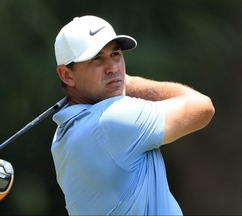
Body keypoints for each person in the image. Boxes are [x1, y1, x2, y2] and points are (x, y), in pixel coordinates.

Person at [51, 15, 215, 215]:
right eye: (96, 59)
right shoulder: (111, 119)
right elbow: (202, 107)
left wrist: (114, 82)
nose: (113, 67)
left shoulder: (62, 137)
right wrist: (127, 81)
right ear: (67, 75)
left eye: (116, 54)